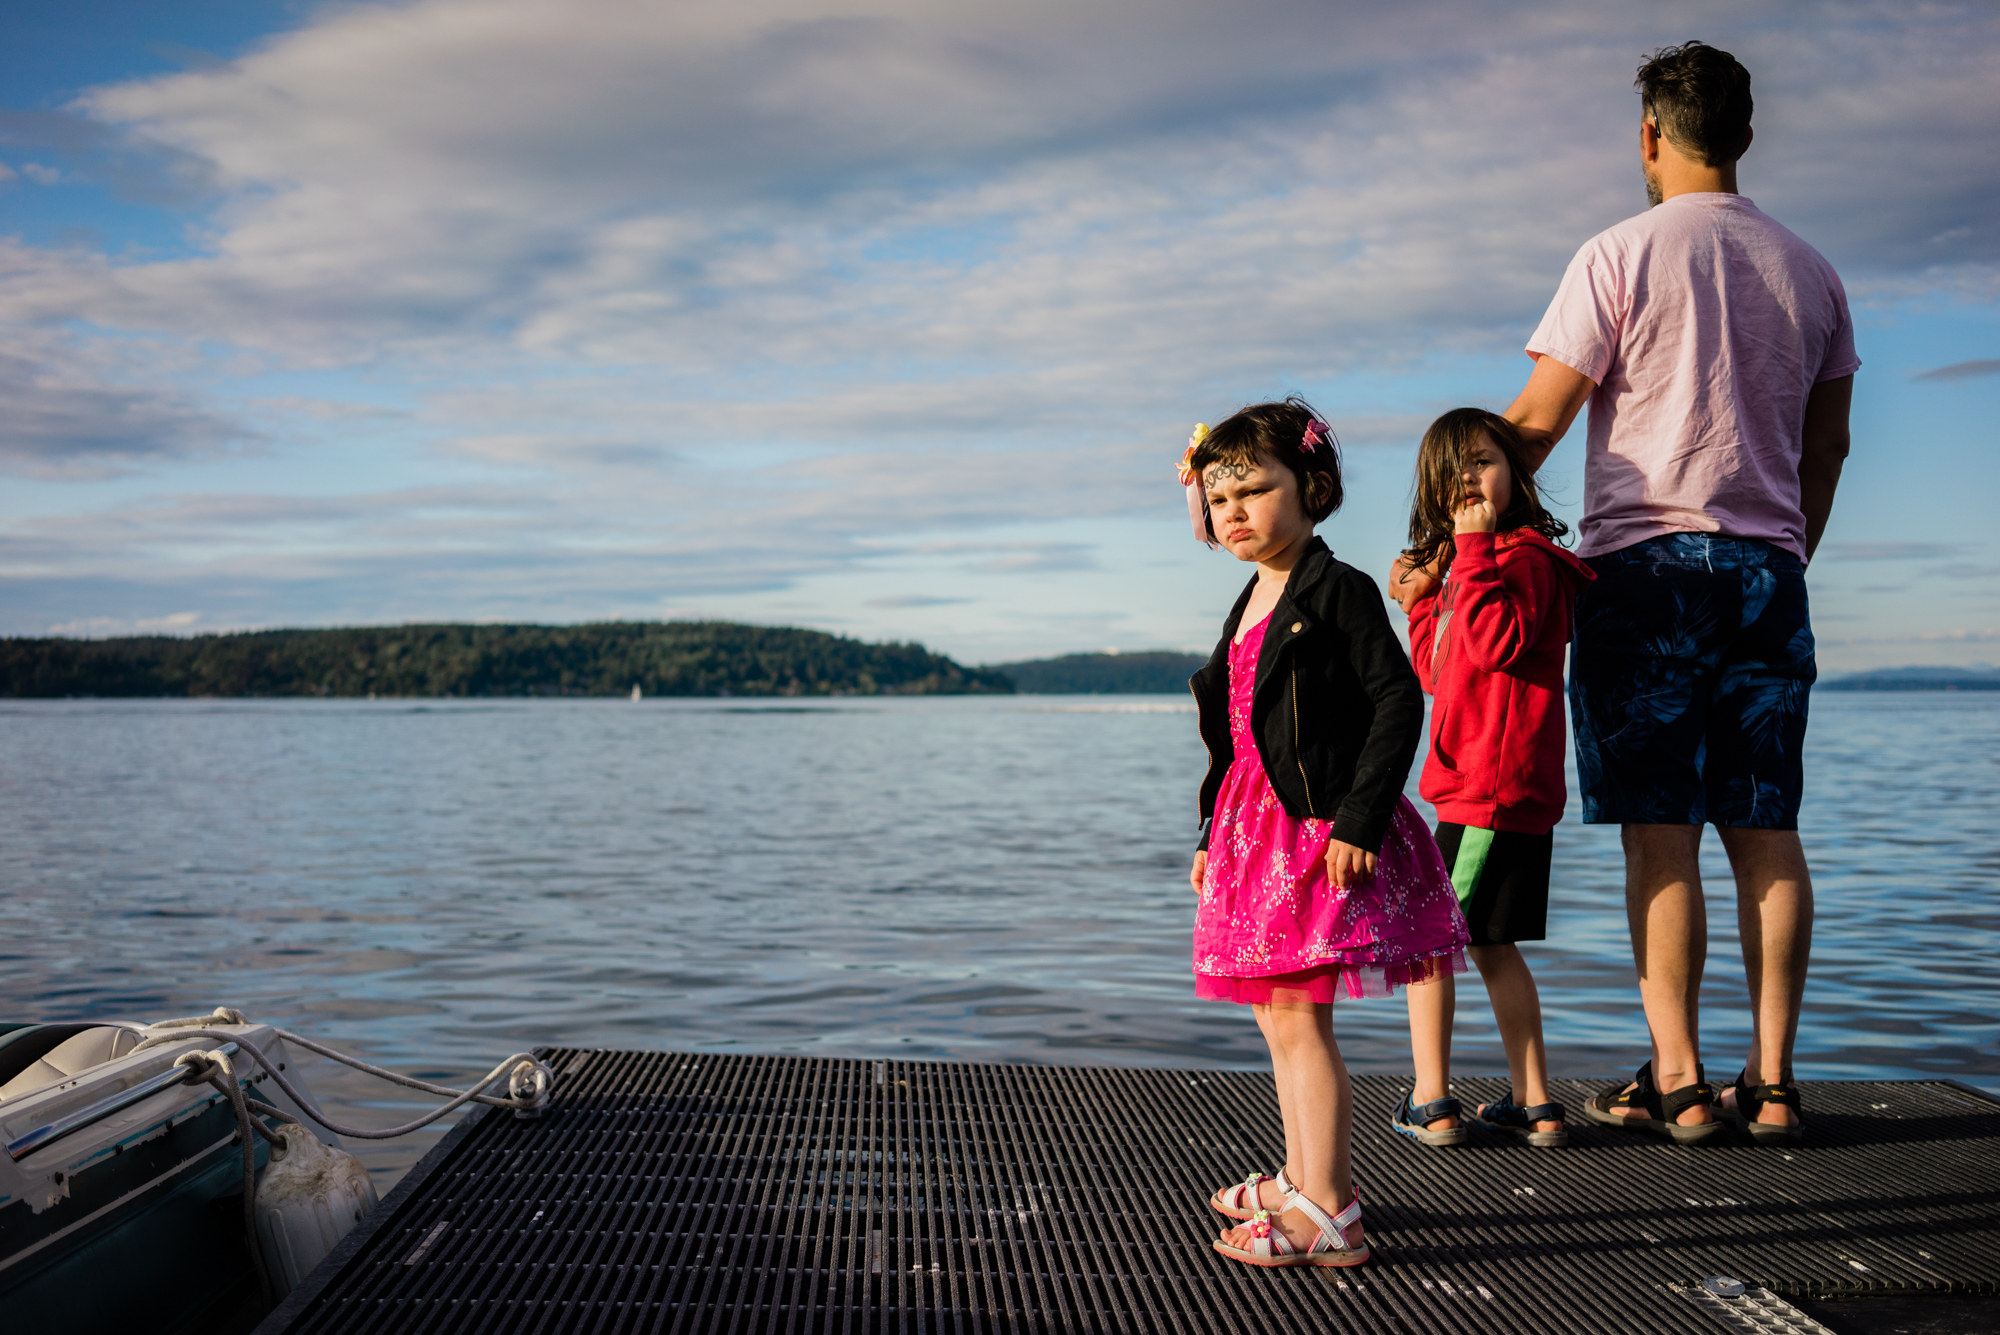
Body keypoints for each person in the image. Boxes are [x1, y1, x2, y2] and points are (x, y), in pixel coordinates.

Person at [1393, 42, 1856, 1146]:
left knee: (1660, 834)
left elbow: (1536, 424)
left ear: (1648, 135)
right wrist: (1784, 553)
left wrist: (1438, 536)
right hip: (1766, 571)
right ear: (1741, 134)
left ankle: (1685, 1083)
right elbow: (1825, 447)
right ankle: (1775, 1082)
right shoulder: (1813, 272)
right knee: (1764, 828)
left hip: (1642, 574)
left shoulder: (1615, 254)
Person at [1181, 398, 1468, 1267]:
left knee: (1302, 1018)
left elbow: (1397, 699)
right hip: (1251, 834)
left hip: (1315, 831)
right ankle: (1302, 1177)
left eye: (1254, 491)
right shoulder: (1253, 593)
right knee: (1279, 1019)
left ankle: (1329, 1210)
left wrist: (1361, 817)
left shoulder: (1332, 586)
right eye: (1219, 497)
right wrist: (1205, 831)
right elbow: (1232, 733)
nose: (1233, 511)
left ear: (1311, 489)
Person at [1388, 408, 1594, 1150]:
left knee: (1427, 942)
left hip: (1490, 791)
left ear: (1515, 472)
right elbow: (1443, 672)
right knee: (1491, 944)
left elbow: (1497, 641)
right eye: (1453, 472)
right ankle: (1534, 1102)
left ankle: (1433, 1099)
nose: (1469, 480)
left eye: (1483, 462)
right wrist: (1419, 602)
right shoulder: (1472, 565)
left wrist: (1470, 553)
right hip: (1478, 790)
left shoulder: (1527, 560)